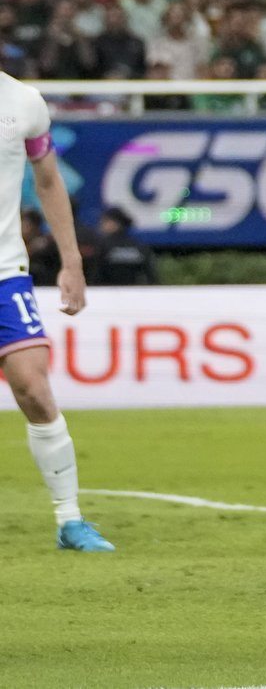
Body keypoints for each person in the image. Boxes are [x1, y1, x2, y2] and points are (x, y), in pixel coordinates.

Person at [0, 73, 115, 552]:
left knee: (34, 388)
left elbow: (47, 180)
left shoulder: (23, 101)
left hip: (5, 270)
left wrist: (71, 260)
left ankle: (69, 521)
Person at [90, 206, 158, 285]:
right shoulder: (139, 246)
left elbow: (95, 274)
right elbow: (150, 276)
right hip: (135, 293)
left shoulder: (102, 246)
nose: (101, 226)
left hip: (107, 293)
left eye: (104, 221)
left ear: (115, 223)